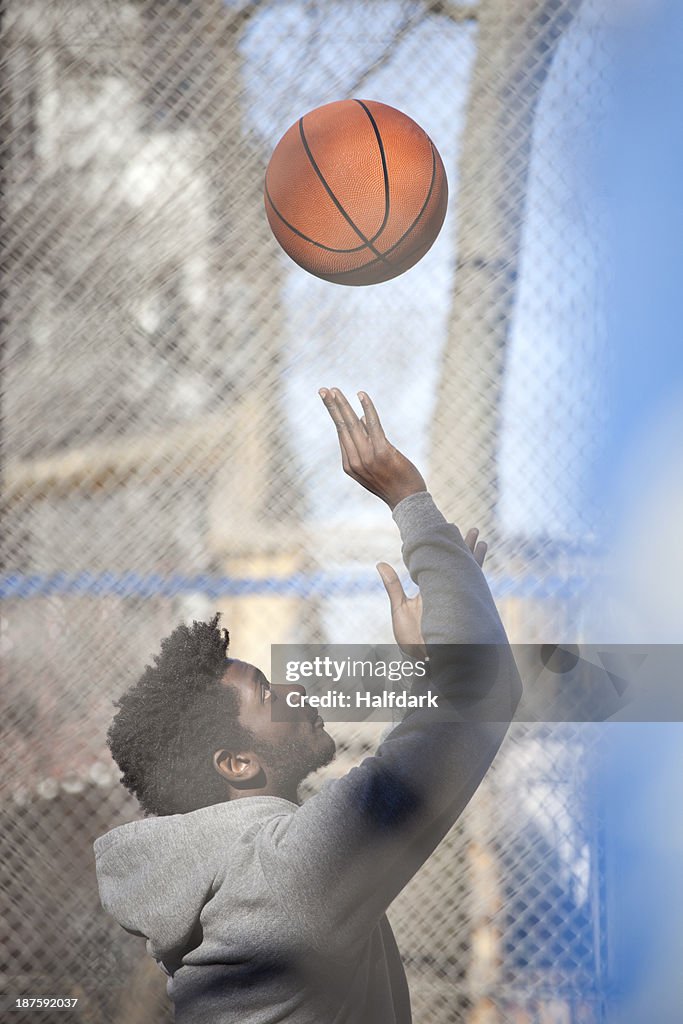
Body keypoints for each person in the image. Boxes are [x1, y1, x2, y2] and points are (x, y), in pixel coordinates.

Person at [94, 388, 522, 1024]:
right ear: (236, 763)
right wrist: (408, 499)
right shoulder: (288, 872)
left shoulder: (235, 880)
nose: (293, 690)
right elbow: (483, 691)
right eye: (266, 696)